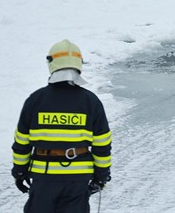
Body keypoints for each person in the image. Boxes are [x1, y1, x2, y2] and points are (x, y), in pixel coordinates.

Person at [11, 39, 112, 213]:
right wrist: (101, 176)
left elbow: (22, 142)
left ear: (52, 63)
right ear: (78, 64)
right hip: (78, 180)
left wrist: (19, 171)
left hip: (43, 178)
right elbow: (102, 144)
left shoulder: (36, 100)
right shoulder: (91, 102)